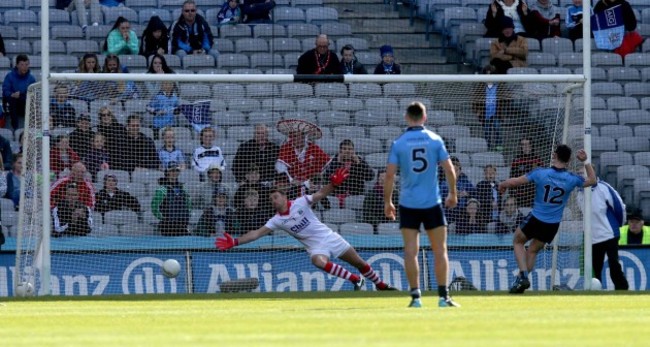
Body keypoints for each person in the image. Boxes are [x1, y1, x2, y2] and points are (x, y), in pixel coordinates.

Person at [216, 167, 397, 291]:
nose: (274, 201)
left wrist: (333, 184)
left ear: (284, 197)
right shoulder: (277, 220)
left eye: (276, 197)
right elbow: (256, 233)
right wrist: (236, 241)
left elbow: (321, 194)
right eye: (271, 199)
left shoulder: (300, 202)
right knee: (318, 261)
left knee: (360, 263)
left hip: (330, 237)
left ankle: (381, 285)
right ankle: (356, 280)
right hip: (316, 247)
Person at [383, 101, 460, 308]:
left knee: (410, 251)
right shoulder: (435, 140)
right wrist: (452, 193)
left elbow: (389, 175)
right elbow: (449, 169)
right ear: (425, 118)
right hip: (432, 203)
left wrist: (388, 202)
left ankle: (416, 298)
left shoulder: (398, 143)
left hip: (408, 204)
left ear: (406, 117)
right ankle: (444, 298)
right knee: (440, 250)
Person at [498, 145, 596, 294]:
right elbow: (592, 180)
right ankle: (520, 281)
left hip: (536, 218)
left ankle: (523, 276)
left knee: (517, 240)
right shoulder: (572, 179)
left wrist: (503, 184)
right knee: (532, 251)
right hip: (552, 225)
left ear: (554, 155)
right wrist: (585, 161)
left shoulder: (540, 173)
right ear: (569, 160)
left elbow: (516, 182)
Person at [576, 172, 629, 290]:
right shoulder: (579, 193)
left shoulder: (604, 188)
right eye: (579, 174)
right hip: (593, 237)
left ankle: (622, 288)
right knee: (595, 267)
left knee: (614, 264)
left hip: (609, 233)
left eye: (582, 174)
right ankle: (596, 291)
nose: (580, 176)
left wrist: (618, 225)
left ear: (591, 173)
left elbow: (619, 207)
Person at [470, 65, 512, 151]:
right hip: (485, 114)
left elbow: (507, 99)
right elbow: (475, 100)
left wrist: (503, 108)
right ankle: (488, 146)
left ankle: (498, 146)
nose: (489, 77)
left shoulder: (500, 86)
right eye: (487, 74)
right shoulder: (481, 87)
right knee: (487, 131)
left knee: (497, 129)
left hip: (496, 113)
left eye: (491, 74)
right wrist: (477, 110)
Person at [276, 128, 330, 195]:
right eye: (295, 136)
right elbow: (281, 169)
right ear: (291, 137)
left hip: (312, 186)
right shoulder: (285, 149)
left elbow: (328, 165)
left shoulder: (314, 148)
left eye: (300, 136)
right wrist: (291, 180)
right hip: (291, 188)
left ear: (304, 136)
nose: (298, 139)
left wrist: (317, 181)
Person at [152, 161, 192, 236]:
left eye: (176, 171)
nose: (174, 173)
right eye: (172, 171)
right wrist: (164, 219)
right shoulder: (162, 189)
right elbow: (154, 207)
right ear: (167, 172)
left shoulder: (182, 188)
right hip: (168, 227)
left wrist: (186, 216)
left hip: (182, 225)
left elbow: (189, 204)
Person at [2, 55, 36, 130]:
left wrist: (22, 94)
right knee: (12, 99)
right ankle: (15, 127)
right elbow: (5, 90)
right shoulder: (10, 76)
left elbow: (34, 93)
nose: (25, 67)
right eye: (22, 65)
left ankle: (32, 127)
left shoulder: (31, 78)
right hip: (12, 102)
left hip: (24, 101)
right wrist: (12, 94)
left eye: (27, 64)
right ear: (17, 65)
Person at [440, 156, 476, 223]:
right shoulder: (444, 183)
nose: (454, 173)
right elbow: (442, 198)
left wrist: (467, 194)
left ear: (460, 171)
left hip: (463, 210)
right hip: (449, 211)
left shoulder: (465, 181)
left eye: (456, 170)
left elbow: (473, 191)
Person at [510, 137, 543, 207]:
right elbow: (512, 178)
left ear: (531, 145)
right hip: (519, 195)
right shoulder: (516, 160)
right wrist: (512, 195)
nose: (525, 147)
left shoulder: (538, 160)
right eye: (523, 145)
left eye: (527, 144)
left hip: (534, 195)